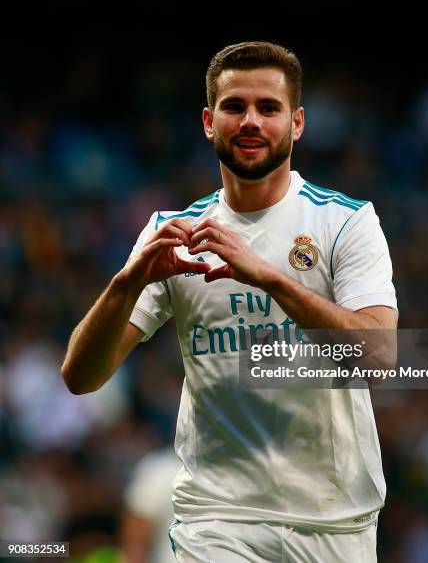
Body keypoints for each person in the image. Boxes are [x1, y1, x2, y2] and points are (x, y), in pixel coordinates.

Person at [62, 41, 398, 562]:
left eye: (269, 108)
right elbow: (80, 377)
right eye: (234, 106)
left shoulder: (345, 221)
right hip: (217, 519)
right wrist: (124, 284)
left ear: (298, 123)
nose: (251, 121)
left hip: (336, 519)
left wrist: (271, 279)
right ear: (207, 121)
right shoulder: (171, 234)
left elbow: (381, 359)